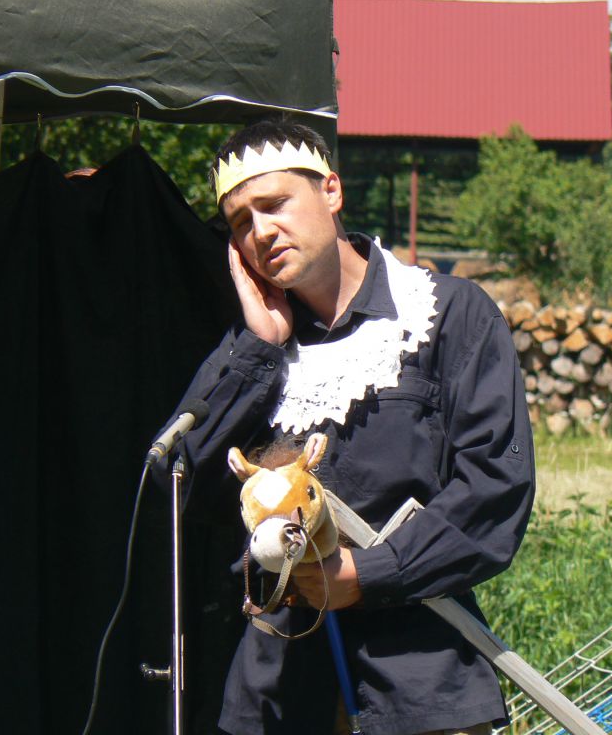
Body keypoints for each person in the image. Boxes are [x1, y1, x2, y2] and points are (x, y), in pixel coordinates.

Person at [165, 119, 535, 735]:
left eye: (275, 204)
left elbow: (496, 490)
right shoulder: (253, 346)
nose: (261, 232)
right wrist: (259, 350)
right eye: (240, 222)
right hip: (278, 694)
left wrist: (366, 576)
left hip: (422, 678)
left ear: (331, 191)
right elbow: (185, 487)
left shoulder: (446, 315)